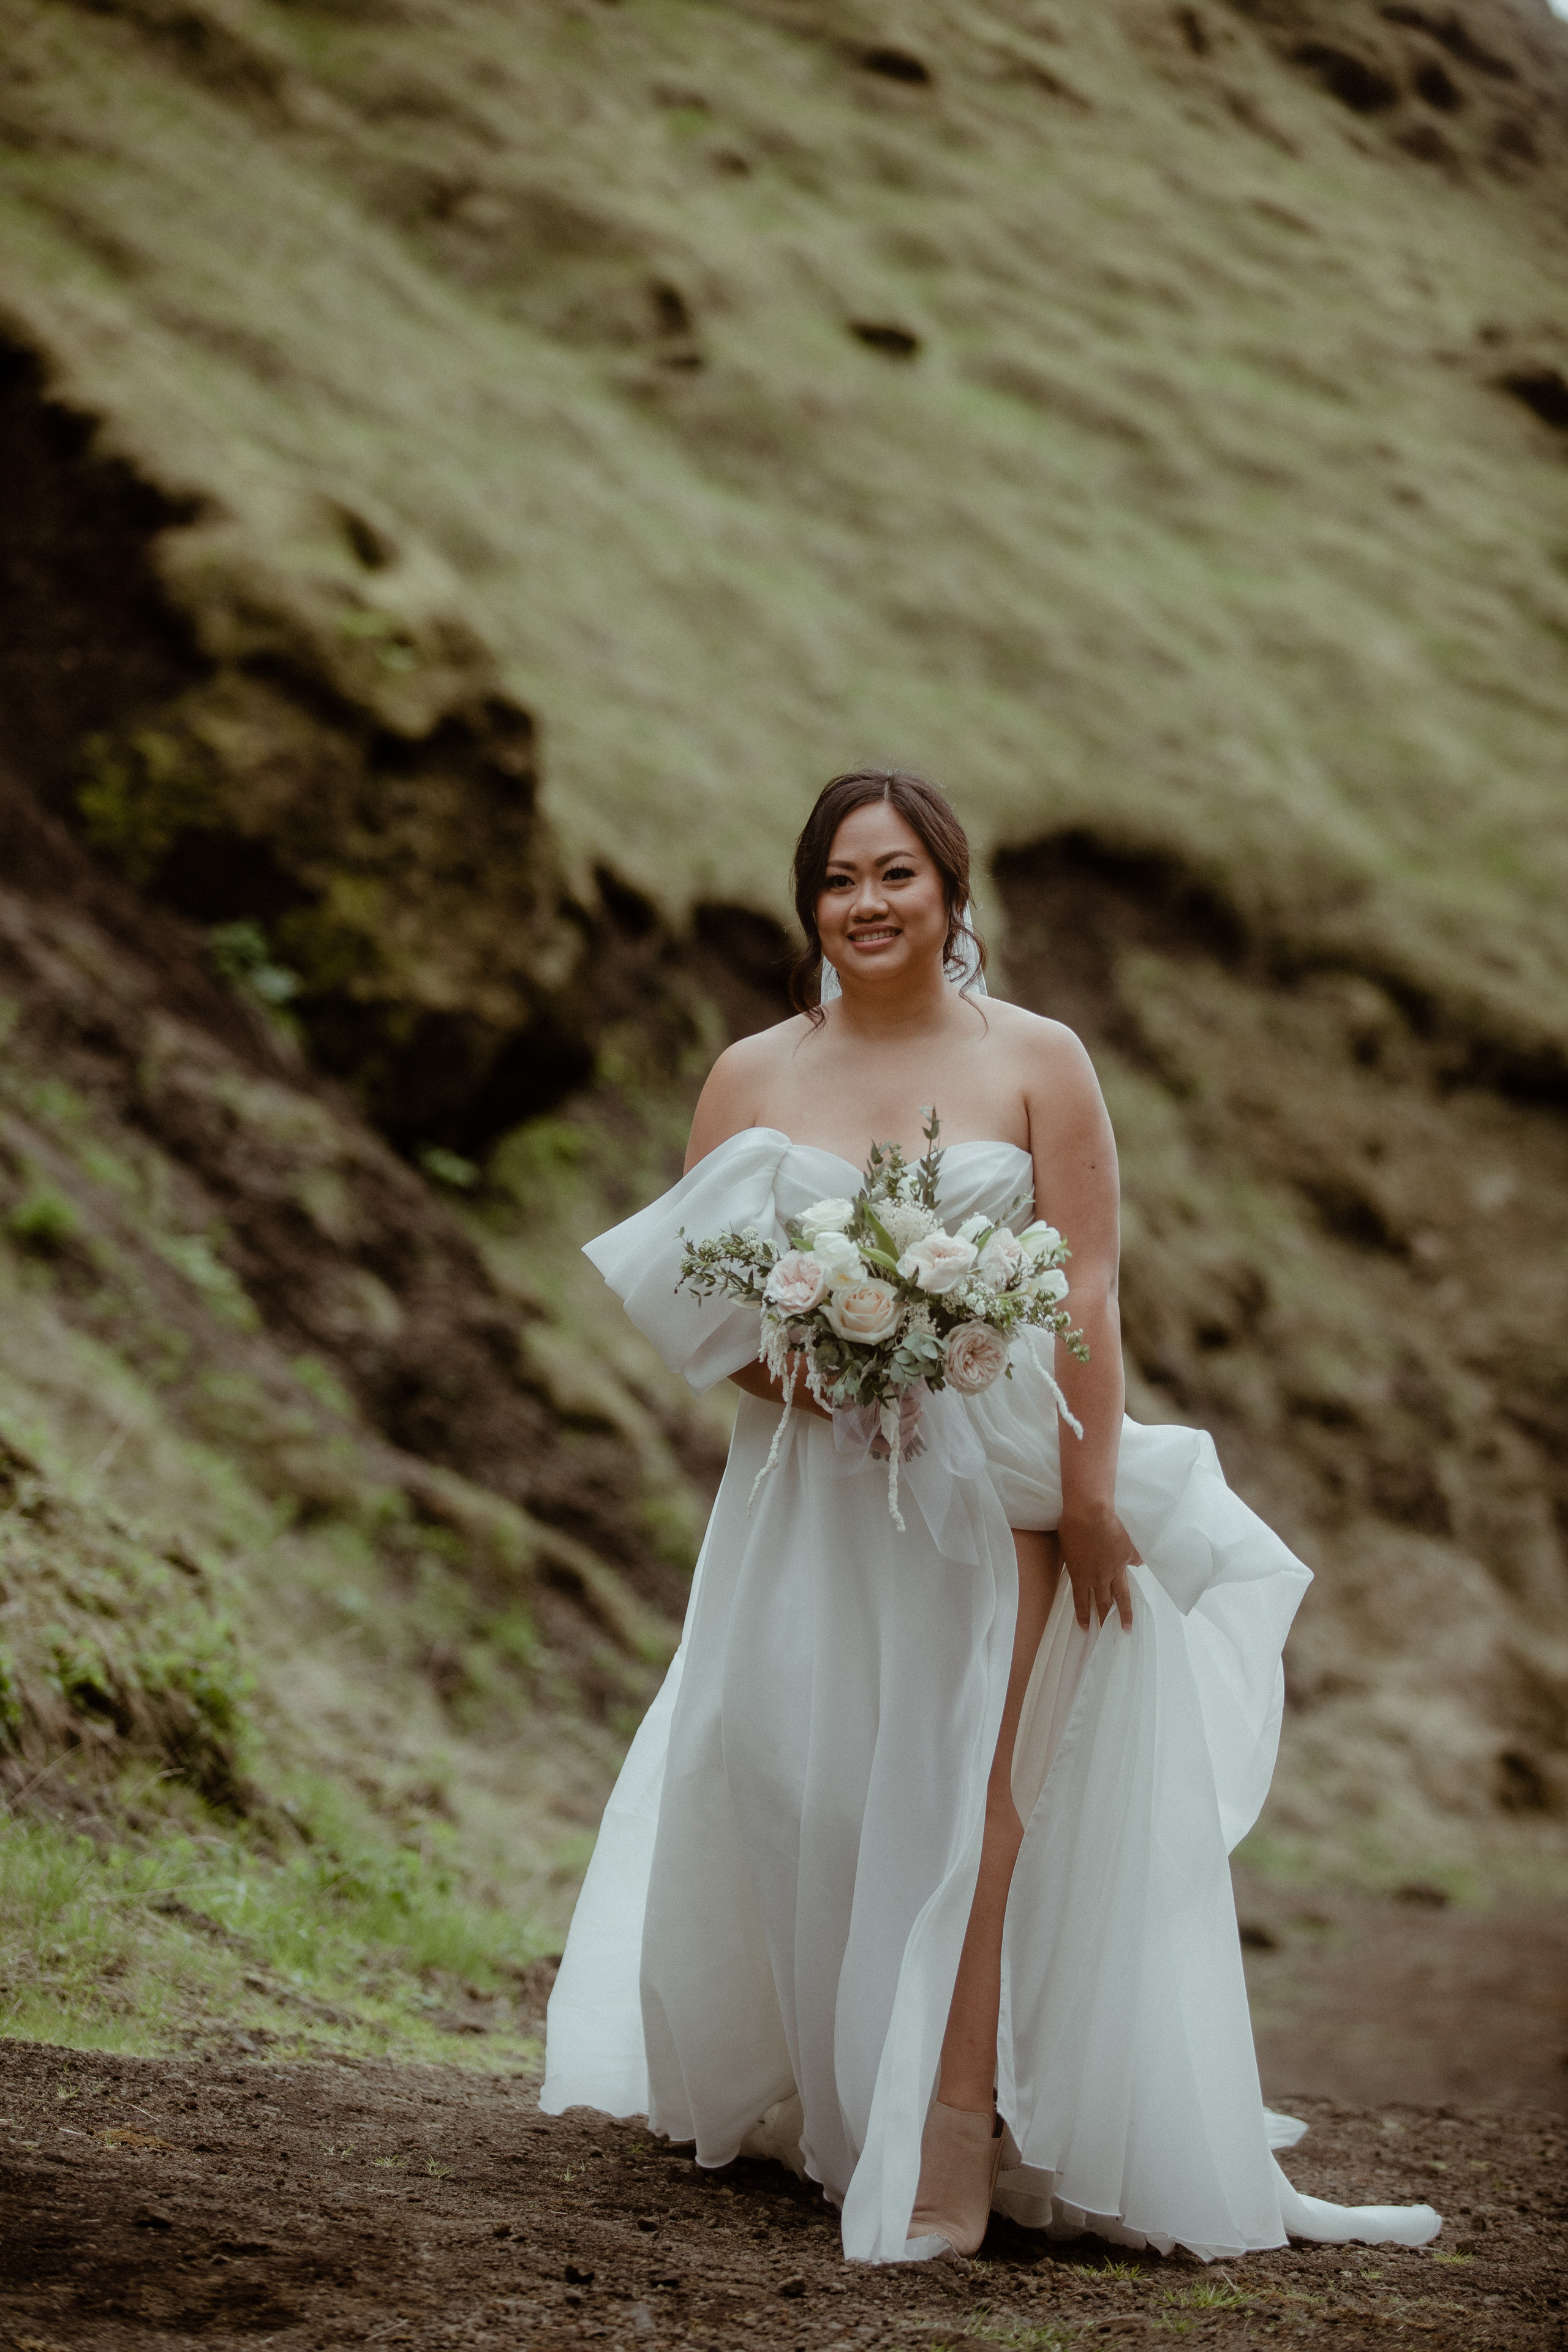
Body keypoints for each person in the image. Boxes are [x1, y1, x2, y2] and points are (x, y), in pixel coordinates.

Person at [540, 769, 1441, 2264]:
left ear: (951, 894)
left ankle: (950, 2140)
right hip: (814, 1486)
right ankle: (846, 2087)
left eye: (897, 875)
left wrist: (1087, 1499)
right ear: (807, 903)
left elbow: (1083, 1286)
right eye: (839, 879)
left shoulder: (1038, 1058)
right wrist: (831, 1375)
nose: (867, 904)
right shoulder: (752, 1073)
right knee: (801, 1777)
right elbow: (706, 1306)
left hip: (1007, 1475)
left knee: (979, 1798)